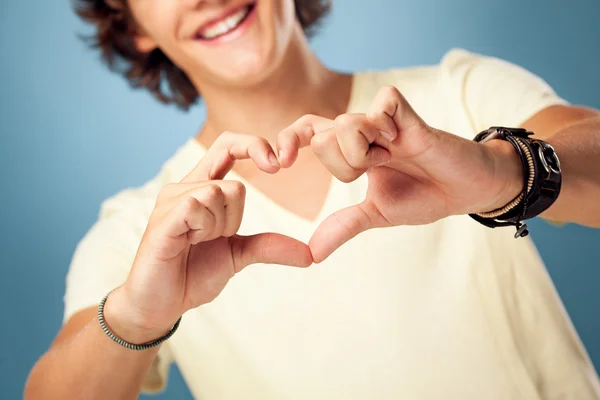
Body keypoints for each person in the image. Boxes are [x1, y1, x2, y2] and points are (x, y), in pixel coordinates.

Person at [25, 0, 600, 399]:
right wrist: (137, 314)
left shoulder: (459, 93)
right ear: (134, 28)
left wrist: (505, 173)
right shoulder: (138, 234)